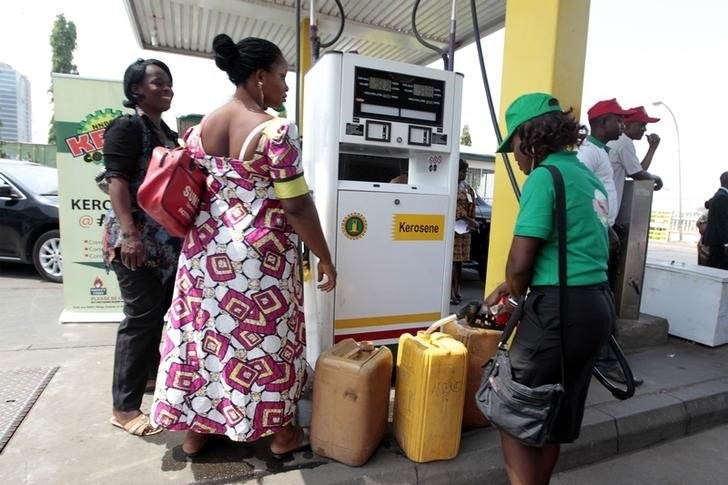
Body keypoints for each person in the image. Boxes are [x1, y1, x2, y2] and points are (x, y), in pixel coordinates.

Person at [150, 34, 336, 458]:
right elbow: (296, 204)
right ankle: (282, 435)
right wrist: (325, 256)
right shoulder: (275, 131)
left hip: (203, 259)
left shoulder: (198, 130)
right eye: (282, 77)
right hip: (259, 262)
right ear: (259, 77)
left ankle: (197, 433)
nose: (286, 87)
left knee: (203, 339)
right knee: (268, 341)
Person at [485, 92, 614, 485]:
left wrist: (516, 282)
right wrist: (513, 284)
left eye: (516, 149)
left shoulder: (545, 176)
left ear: (530, 138)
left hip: (558, 313)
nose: (517, 160)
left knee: (513, 411)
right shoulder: (588, 177)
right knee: (553, 413)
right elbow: (573, 250)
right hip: (595, 307)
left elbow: (521, 261)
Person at [102, 58, 182, 437]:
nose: (166, 88)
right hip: (134, 241)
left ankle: (149, 381)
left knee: (157, 316)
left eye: (168, 82)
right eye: (157, 82)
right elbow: (116, 181)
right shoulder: (128, 127)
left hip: (165, 246)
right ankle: (123, 408)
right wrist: (129, 234)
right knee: (139, 320)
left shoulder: (166, 132)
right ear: (136, 90)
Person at [577, 98, 630, 227]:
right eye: (619, 121)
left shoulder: (599, 150)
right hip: (593, 227)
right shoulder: (588, 151)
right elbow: (579, 189)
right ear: (604, 122)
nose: (623, 126)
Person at [607, 105, 663, 215]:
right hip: (607, 206)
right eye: (642, 125)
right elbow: (639, 175)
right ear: (627, 125)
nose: (645, 129)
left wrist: (652, 148)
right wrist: (656, 178)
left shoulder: (617, 141)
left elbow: (638, 170)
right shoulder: (625, 143)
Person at [452, 159, 479, 304]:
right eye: (462, 171)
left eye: (465, 171)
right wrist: (469, 220)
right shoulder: (450, 187)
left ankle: (457, 290)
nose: (464, 174)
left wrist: (472, 222)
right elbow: (453, 207)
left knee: (459, 262)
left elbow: (472, 206)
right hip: (453, 230)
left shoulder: (468, 188)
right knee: (450, 262)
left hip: (464, 231)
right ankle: (449, 293)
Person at [702, 172, 728, 270]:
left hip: (715, 241)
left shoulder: (719, 194)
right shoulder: (723, 197)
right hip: (719, 242)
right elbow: (722, 223)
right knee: (716, 269)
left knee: (714, 267)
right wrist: (726, 243)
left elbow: (707, 204)